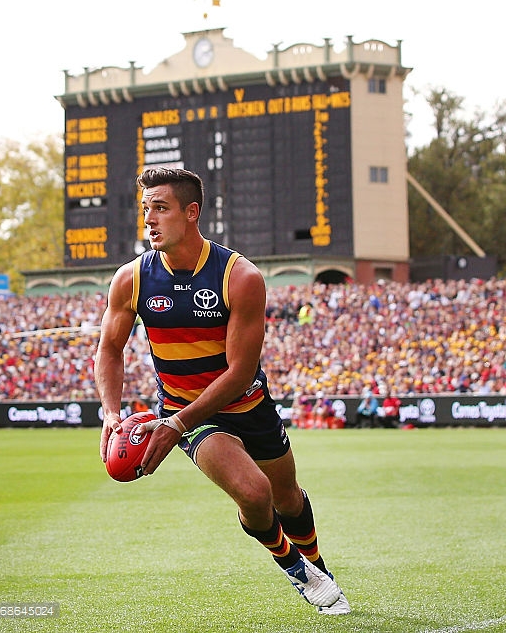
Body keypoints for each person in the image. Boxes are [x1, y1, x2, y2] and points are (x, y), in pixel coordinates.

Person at [95, 167, 348, 615]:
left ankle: (317, 564)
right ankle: (296, 569)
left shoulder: (240, 276)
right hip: (190, 412)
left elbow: (238, 372)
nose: (148, 220)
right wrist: (111, 413)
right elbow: (110, 349)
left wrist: (173, 426)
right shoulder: (130, 279)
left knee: (287, 496)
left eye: (160, 208)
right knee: (253, 493)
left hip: (245, 403)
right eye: (145, 209)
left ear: (191, 213)